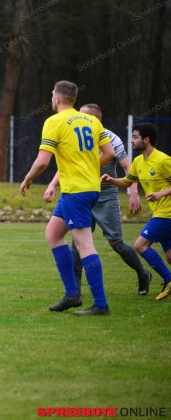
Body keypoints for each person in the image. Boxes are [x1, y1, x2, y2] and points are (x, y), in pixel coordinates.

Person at [20, 81, 116, 316]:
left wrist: (28, 177)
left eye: (52, 94)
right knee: (53, 234)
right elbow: (109, 153)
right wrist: (86, 165)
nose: (51, 98)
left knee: (84, 244)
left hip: (76, 191)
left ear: (57, 99)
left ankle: (101, 304)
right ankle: (72, 295)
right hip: (87, 188)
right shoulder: (92, 120)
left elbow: (43, 161)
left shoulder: (54, 122)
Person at [43, 104, 151, 296]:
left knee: (116, 242)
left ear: (95, 119)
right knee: (77, 241)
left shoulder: (110, 138)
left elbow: (129, 167)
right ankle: (75, 289)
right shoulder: (72, 132)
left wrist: (134, 193)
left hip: (105, 195)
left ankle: (143, 275)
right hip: (80, 193)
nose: (77, 118)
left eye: (82, 115)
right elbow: (68, 164)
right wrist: (52, 185)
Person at [101, 122, 171, 301]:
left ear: (146, 140)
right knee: (169, 258)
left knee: (140, 245)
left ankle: (169, 279)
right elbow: (127, 181)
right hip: (159, 213)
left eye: (135, 137)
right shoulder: (139, 162)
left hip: (167, 213)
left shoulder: (163, 160)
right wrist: (111, 180)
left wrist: (162, 193)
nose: (131, 141)